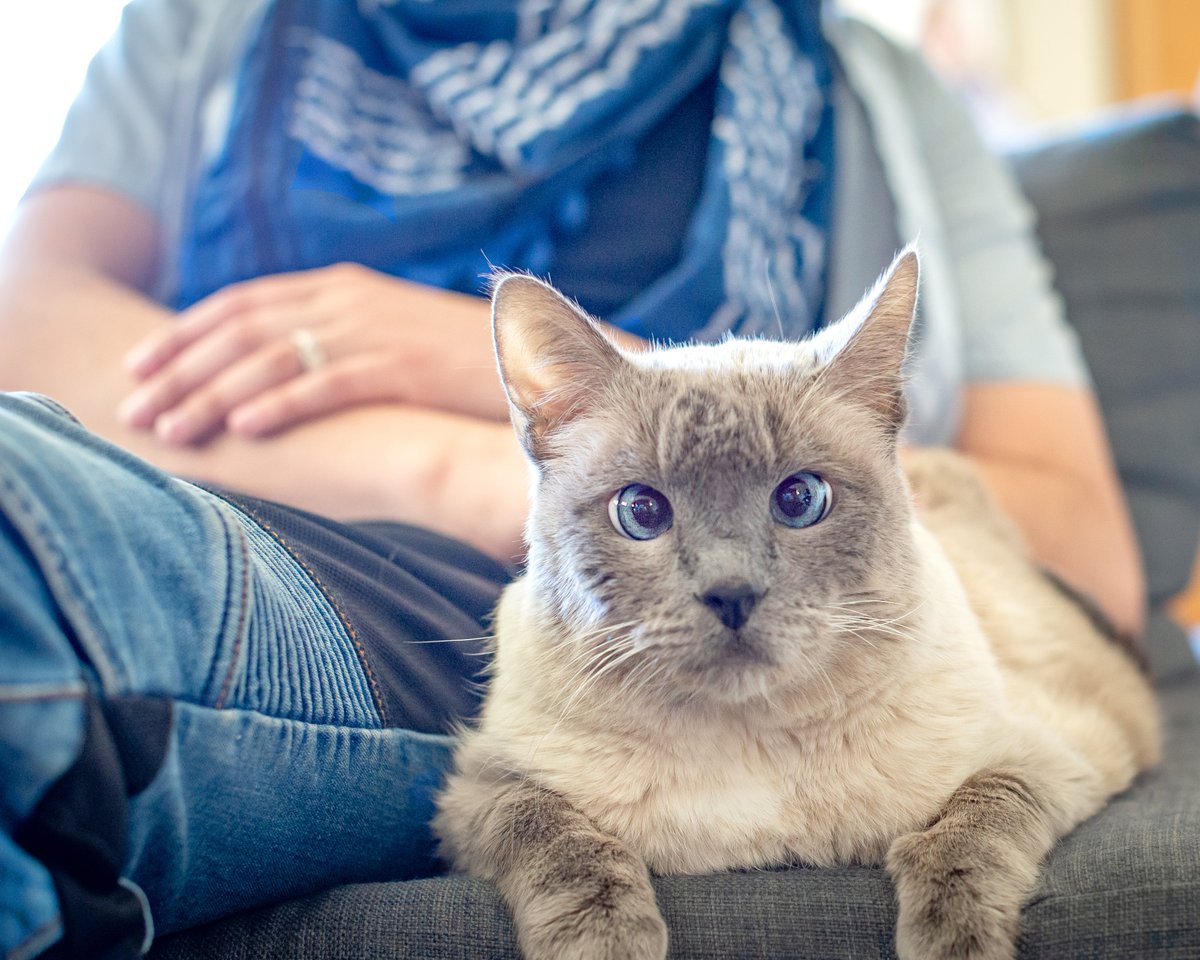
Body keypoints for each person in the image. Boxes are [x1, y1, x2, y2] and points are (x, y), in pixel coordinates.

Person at [0, 1, 1144, 957]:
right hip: (264, 519)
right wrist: (483, 464)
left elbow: (1080, 543)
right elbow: (29, 341)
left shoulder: (869, 87)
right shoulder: (204, 25)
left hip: (459, 604)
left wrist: (493, 384)